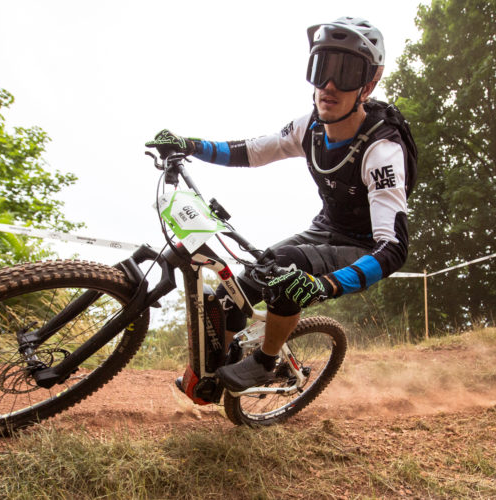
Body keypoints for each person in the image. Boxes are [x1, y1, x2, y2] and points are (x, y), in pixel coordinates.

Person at [146, 17, 416, 391]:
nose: (330, 85)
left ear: (368, 85)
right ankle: (215, 374)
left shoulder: (383, 150)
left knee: (290, 273)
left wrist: (325, 285)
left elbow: (394, 247)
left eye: (347, 72)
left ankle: (266, 361)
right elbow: (251, 152)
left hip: (363, 244)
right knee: (238, 288)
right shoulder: (310, 127)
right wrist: (190, 145)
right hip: (326, 226)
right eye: (322, 68)